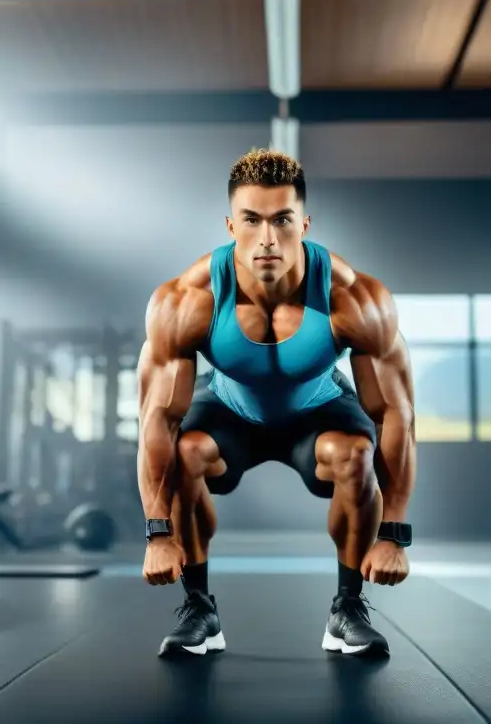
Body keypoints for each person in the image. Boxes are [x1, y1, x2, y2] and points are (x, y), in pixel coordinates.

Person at [137, 148, 416, 659]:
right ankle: (199, 607)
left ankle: (347, 610)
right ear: (230, 225)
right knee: (186, 450)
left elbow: (394, 411)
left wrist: (394, 533)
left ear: (303, 223)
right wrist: (158, 531)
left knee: (356, 455)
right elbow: (158, 415)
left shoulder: (353, 299)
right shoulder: (186, 300)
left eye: (282, 220)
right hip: (230, 409)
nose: (268, 238)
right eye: (252, 220)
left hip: (317, 407)